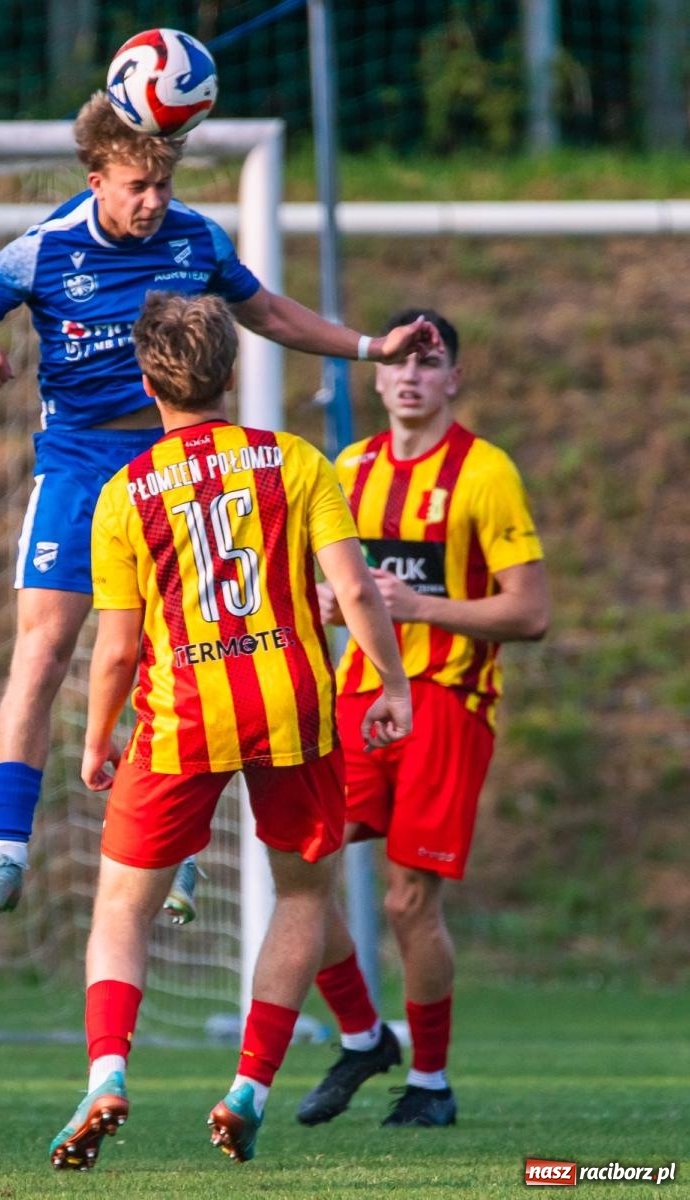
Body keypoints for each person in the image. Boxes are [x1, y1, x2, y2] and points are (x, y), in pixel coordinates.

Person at [0, 91, 432, 922]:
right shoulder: (43, 250)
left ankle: (182, 856)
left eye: (162, 184)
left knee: (198, 661)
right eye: (136, 186)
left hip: (181, 469)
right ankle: (8, 851)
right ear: (97, 180)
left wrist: (370, 346)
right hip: (82, 467)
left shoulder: (196, 237)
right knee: (44, 651)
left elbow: (267, 312)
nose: (153, 202)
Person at [48, 291, 413, 1170]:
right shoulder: (295, 461)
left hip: (180, 718)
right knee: (298, 897)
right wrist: (391, 681)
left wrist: (100, 736)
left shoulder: (125, 492)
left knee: (124, 910)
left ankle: (106, 1074)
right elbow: (356, 591)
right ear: (235, 371)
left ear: (146, 381)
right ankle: (248, 1087)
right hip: (292, 705)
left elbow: (119, 647)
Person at [296, 307, 549, 1129]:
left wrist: (424, 606)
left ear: (453, 379)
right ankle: (365, 1035)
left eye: (427, 360)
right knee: (299, 865)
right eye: (398, 359)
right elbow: (320, 585)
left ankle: (431, 1084)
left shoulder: (485, 473)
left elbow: (530, 612)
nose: (410, 374)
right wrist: (331, 605)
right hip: (358, 694)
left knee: (409, 901)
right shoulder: (348, 467)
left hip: (446, 699)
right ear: (375, 376)